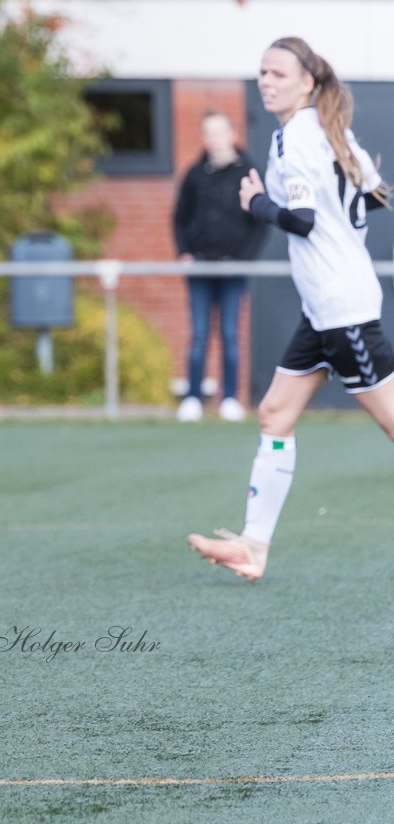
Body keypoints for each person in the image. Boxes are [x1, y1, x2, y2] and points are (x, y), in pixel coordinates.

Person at [188, 36, 394, 581]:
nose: (266, 81)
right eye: (262, 72)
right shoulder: (331, 130)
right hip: (323, 308)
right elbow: (375, 194)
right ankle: (253, 546)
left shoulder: (296, 137)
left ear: (307, 82)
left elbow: (300, 219)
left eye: (279, 72)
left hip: (340, 307)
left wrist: (257, 204)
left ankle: (255, 544)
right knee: (275, 414)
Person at [173, 110, 267, 423]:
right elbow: (180, 217)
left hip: (233, 269)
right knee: (199, 334)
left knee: (229, 333)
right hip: (200, 267)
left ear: (231, 133)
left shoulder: (248, 171)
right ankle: (192, 399)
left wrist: (244, 256)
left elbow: (260, 222)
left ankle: (230, 399)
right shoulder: (195, 173)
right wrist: (185, 251)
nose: (212, 139)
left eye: (218, 132)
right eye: (207, 133)